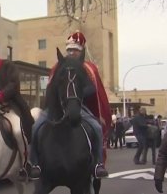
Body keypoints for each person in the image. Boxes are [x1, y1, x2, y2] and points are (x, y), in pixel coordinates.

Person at [30, 31, 111, 179]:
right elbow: (50, 87)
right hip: (56, 106)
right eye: (69, 50)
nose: (71, 52)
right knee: (36, 127)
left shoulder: (87, 68)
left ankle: (98, 164)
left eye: (74, 50)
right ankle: (35, 164)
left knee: (97, 128)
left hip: (79, 107)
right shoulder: (58, 67)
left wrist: (76, 95)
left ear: (80, 51)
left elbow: (93, 88)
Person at [0, 38, 35, 180]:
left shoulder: (8, 66)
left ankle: (26, 164)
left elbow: (13, 85)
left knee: (17, 131)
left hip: (10, 107)